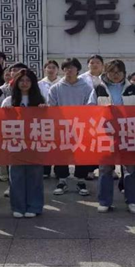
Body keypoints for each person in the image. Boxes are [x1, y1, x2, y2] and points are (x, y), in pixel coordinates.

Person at [88, 60, 135, 214]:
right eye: (112, 71)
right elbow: (90, 109)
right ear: (106, 73)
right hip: (106, 133)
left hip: (129, 132)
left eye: (119, 72)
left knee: (130, 169)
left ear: (124, 73)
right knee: (105, 168)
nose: (115, 75)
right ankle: (104, 201)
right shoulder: (98, 89)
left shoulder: (133, 89)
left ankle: (132, 201)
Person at [1, 69, 46, 218]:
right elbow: (1, 122)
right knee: (16, 176)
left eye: (28, 80)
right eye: (21, 80)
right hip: (15, 143)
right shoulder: (8, 101)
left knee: (35, 175)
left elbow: (48, 122)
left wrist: (45, 111)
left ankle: (34, 206)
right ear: (16, 83)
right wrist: (6, 113)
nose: (24, 83)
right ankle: (18, 207)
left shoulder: (40, 100)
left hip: (35, 142)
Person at [47, 58, 95, 196]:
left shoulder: (86, 87)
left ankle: (81, 180)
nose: (69, 70)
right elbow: (52, 107)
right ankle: (62, 180)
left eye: (72, 67)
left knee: (82, 153)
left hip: (81, 126)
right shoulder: (56, 88)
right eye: (66, 68)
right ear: (63, 70)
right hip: (62, 126)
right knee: (61, 153)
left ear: (77, 70)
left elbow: (90, 106)